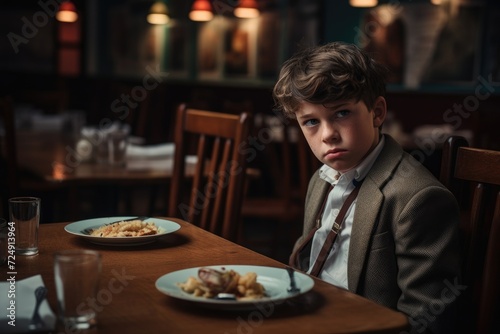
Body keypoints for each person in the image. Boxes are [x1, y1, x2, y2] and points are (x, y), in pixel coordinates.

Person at [273, 42, 461, 334]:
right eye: (311, 121)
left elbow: (427, 320)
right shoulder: (321, 178)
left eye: (341, 113)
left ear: (377, 112)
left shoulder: (418, 198)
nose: (328, 135)